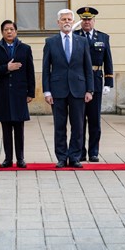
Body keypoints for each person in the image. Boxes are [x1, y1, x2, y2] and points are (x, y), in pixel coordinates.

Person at [42, 9, 94, 168]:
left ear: (73, 21)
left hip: (78, 88)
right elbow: (46, 69)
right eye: (63, 19)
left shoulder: (82, 41)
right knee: (59, 125)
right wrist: (47, 91)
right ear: (58, 22)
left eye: (69, 19)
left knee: (78, 125)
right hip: (57, 90)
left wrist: (89, 90)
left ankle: (75, 156)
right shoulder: (50, 42)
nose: (67, 22)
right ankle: (62, 157)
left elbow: (88, 67)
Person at [0, 20, 35, 168]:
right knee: (6, 129)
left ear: (16, 31)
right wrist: (6, 67)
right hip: (3, 94)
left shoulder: (25, 49)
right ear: (2, 32)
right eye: (6, 29)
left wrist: (30, 92)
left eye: (11, 29)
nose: (9, 32)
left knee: (19, 129)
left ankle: (20, 158)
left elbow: (30, 72)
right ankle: (8, 158)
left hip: (20, 93)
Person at [74, 7, 113, 162]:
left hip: (96, 80)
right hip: (79, 81)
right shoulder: (75, 36)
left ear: (94, 21)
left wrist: (108, 82)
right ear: (80, 21)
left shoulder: (102, 37)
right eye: (84, 19)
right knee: (79, 120)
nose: (87, 22)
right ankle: (80, 152)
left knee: (94, 120)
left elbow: (108, 60)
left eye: (89, 19)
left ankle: (94, 152)